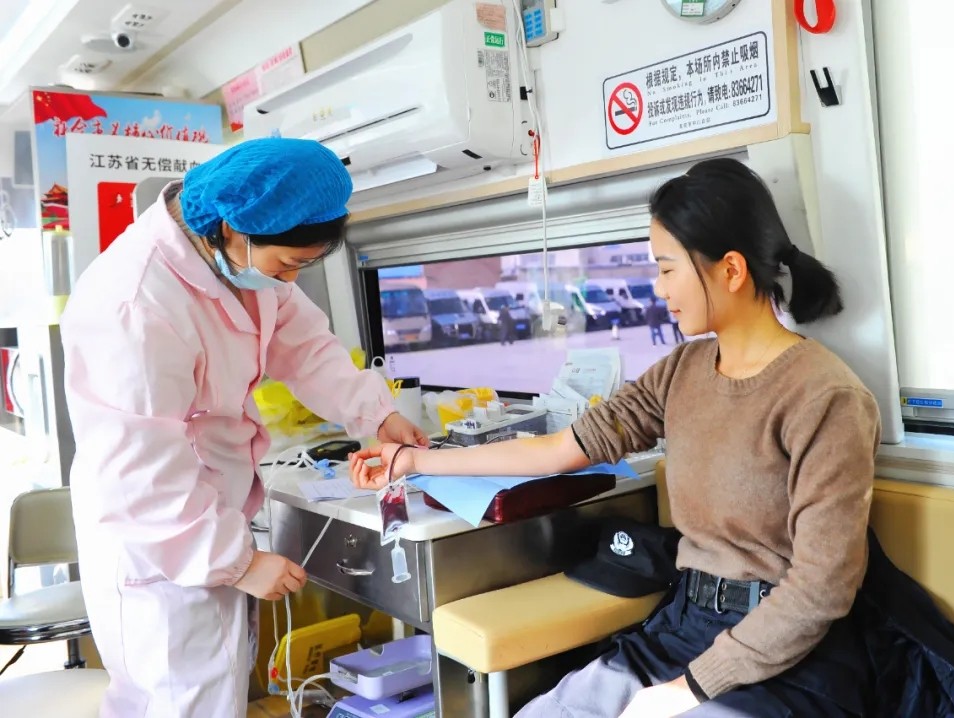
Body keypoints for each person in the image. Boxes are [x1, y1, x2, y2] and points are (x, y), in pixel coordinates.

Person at [350, 158, 881, 718]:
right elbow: (558, 450)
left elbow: (821, 588)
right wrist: (413, 462)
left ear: (730, 269)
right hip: (684, 628)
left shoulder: (826, 397)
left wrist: (688, 690)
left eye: (668, 269)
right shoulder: (682, 372)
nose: (659, 288)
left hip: (789, 656)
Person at [61, 137, 429, 717]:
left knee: (219, 693)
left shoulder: (238, 265)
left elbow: (305, 346)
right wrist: (237, 562)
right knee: (178, 703)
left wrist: (376, 412)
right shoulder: (135, 305)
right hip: (162, 544)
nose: (291, 279)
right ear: (234, 229)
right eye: (288, 264)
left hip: (207, 517)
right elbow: (140, 476)